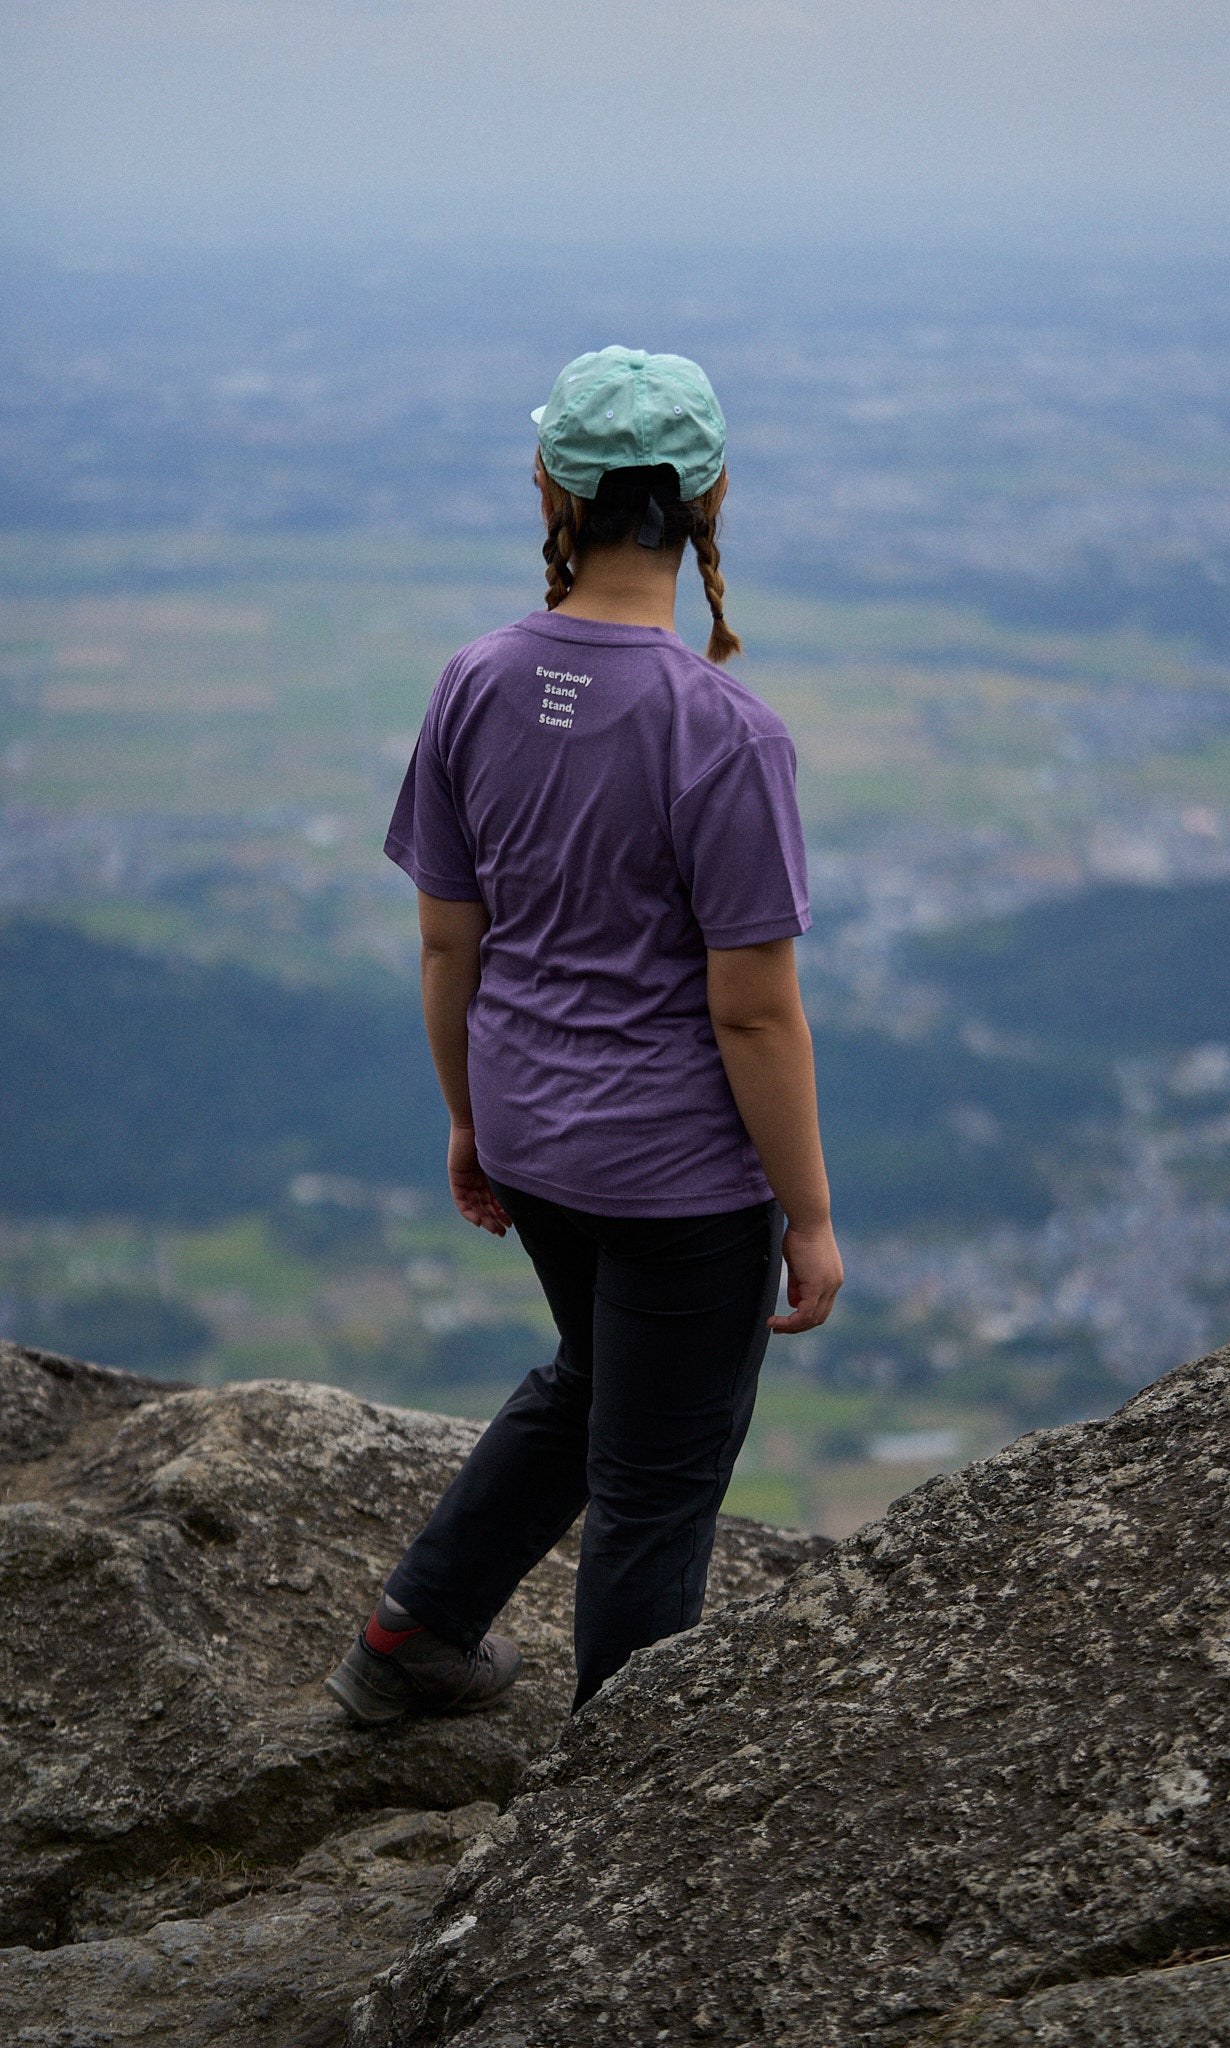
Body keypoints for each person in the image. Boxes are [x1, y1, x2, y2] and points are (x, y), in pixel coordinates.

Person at [326, 345, 843, 1725]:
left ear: (547, 485)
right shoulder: (722, 732)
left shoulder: (475, 680)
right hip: (678, 1179)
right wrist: (806, 1213)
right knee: (657, 1487)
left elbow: (449, 942)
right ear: (710, 495)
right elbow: (751, 1007)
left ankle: (411, 1639)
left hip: (534, 1135)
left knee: (594, 1376)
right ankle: (618, 1798)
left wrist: (469, 1119)